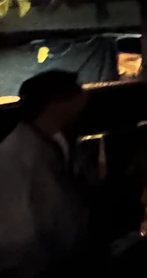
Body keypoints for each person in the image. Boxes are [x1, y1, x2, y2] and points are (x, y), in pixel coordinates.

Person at [0, 70, 91, 278]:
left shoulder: (57, 138)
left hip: (64, 254)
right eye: (76, 92)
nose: (84, 97)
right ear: (56, 103)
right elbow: (17, 230)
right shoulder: (14, 154)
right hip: (36, 265)